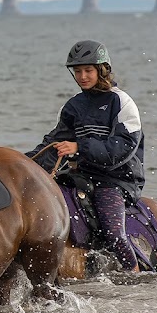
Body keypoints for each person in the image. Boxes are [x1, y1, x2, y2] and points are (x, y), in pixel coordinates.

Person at [27, 40, 144, 271]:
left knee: (112, 233)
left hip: (115, 180)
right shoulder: (73, 106)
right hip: (81, 176)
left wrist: (79, 147)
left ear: (102, 70)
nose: (82, 76)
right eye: (77, 71)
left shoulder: (121, 102)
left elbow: (122, 148)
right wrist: (24, 165)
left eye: (88, 70)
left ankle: (135, 273)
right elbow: (53, 144)